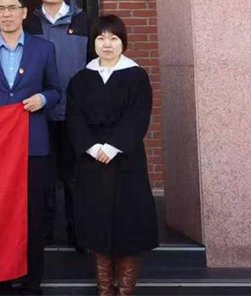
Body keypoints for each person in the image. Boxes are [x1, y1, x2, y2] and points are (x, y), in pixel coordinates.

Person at [0, 0, 61, 296]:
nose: (6, 14)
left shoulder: (43, 48)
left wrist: (42, 99)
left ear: (23, 12)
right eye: (1, 9)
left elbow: (56, 89)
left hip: (33, 145)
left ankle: (32, 282)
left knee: (32, 215)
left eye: (12, 8)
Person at [67, 15, 157, 296]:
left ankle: (125, 291)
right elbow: (74, 118)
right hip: (92, 162)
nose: (107, 44)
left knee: (129, 225)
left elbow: (138, 116)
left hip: (127, 160)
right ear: (93, 43)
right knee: (98, 225)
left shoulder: (137, 76)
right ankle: (105, 290)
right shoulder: (81, 79)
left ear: (123, 42)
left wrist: (112, 146)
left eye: (113, 38)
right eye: (101, 38)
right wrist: (94, 148)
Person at [25, 0, 92, 248]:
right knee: (45, 176)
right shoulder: (29, 23)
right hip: (40, 111)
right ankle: (45, 232)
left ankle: (79, 234)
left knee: (76, 177)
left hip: (76, 112)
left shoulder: (84, 21)